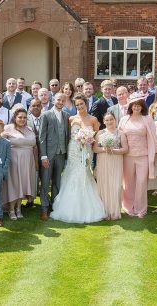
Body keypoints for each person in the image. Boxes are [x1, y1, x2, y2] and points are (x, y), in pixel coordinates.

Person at [50, 94, 106, 223]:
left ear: (86, 104)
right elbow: (68, 135)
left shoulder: (93, 119)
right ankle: (69, 205)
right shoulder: (71, 119)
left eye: (82, 104)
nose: (80, 106)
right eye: (77, 105)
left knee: (85, 174)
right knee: (72, 173)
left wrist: (88, 140)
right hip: (74, 150)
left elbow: (96, 137)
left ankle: (87, 206)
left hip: (86, 150)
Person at [118, 98, 157, 218]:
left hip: (143, 156)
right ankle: (128, 206)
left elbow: (153, 137)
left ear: (142, 107)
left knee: (141, 182)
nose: (136, 107)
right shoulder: (124, 119)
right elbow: (118, 136)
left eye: (138, 105)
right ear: (130, 106)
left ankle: (141, 208)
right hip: (127, 156)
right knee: (128, 182)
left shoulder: (147, 119)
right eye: (134, 105)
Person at [38, 93, 70, 220]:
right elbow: (41, 137)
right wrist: (43, 156)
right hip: (48, 154)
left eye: (63, 100)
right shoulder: (45, 115)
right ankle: (44, 208)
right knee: (45, 182)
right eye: (58, 100)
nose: (61, 102)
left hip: (61, 154)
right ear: (53, 100)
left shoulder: (67, 115)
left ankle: (54, 205)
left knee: (57, 182)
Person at [2, 107, 37, 220]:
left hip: (28, 162)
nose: (22, 119)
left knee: (23, 184)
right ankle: (11, 209)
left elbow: (34, 146)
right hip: (14, 161)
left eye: (24, 117)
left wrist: (36, 163)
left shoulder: (30, 129)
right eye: (20, 117)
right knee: (15, 185)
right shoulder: (8, 128)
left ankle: (19, 208)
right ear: (15, 118)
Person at [94, 112, 128, 220]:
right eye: (107, 120)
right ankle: (104, 211)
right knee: (104, 185)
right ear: (104, 121)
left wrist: (114, 150)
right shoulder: (100, 133)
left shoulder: (121, 133)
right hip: (103, 161)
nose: (109, 122)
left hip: (116, 160)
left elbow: (125, 149)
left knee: (115, 185)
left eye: (111, 119)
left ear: (115, 120)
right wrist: (104, 149)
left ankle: (114, 211)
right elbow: (95, 149)